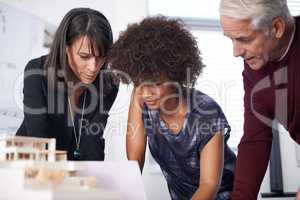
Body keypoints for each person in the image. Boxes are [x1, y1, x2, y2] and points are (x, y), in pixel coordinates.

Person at [108, 16, 236, 200]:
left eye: (156, 83)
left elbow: (209, 186)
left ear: (176, 75)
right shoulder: (141, 97)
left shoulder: (206, 113)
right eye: (139, 83)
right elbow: (135, 160)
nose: (145, 93)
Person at [219, 0, 300, 199]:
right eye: (231, 39)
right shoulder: (256, 65)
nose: (235, 52)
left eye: (244, 39)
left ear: (277, 27)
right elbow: (256, 138)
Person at [16, 8, 119, 161]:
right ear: (66, 48)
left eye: (101, 57)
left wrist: (92, 180)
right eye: (85, 56)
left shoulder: (108, 85)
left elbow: (91, 141)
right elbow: (39, 137)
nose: (93, 67)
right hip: (29, 163)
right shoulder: (37, 72)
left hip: (73, 171)